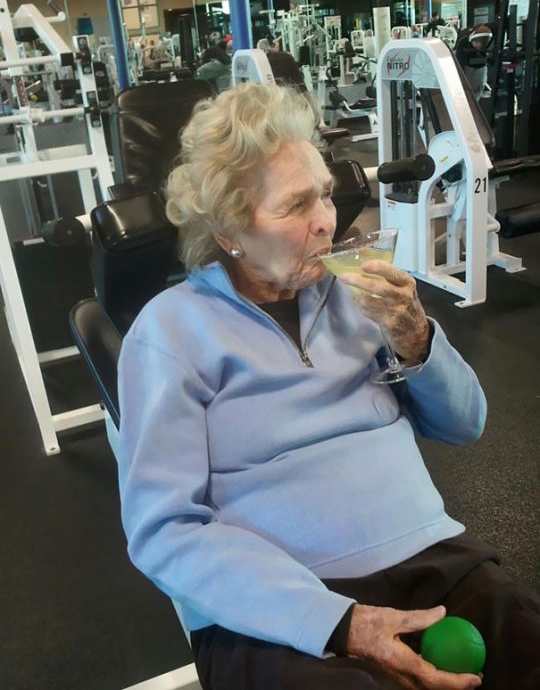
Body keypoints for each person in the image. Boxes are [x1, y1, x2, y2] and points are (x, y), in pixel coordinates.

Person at [117, 83, 539, 690]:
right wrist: (336, 623)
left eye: (325, 195)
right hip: (276, 600)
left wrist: (417, 338)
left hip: (431, 560)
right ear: (230, 228)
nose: (326, 222)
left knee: (522, 637)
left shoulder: (358, 293)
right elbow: (163, 530)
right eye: (294, 207)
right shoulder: (171, 332)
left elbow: (466, 422)